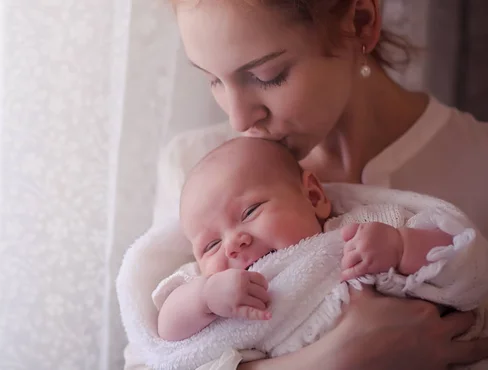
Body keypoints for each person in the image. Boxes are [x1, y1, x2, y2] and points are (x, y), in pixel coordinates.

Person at [124, 0, 488, 368]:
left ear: (361, 22)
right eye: (213, 79)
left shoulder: (477, 163)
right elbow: (155, 357)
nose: (238, 119)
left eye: (267, 76)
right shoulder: (195, 168)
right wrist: (337, 359)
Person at [140, 137, 487, 369]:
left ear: (314, 198)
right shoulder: (211, 289)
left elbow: (459, 258)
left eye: (249, 213)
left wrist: (401, 246)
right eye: (211, 245)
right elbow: (167, 336)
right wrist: (204, 298)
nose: (233, 244)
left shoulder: (361, 228)